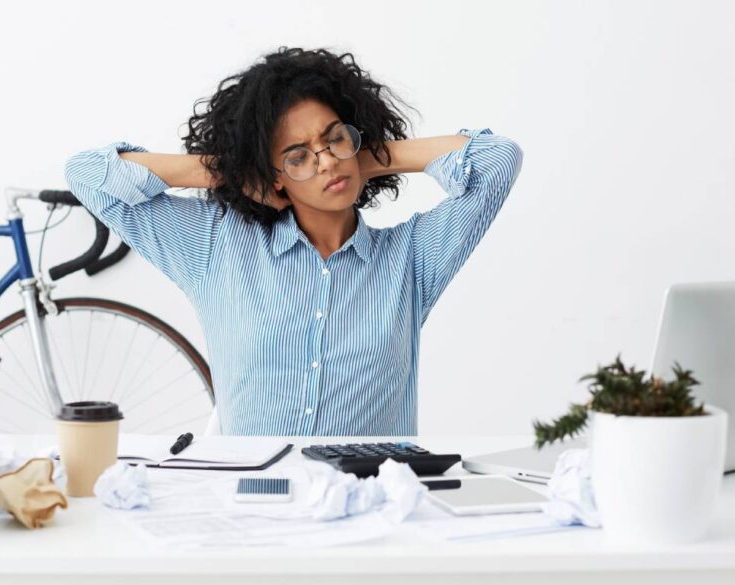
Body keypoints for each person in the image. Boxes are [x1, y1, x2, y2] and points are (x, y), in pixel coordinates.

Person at [65, 47, 523, 436]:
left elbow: (497, 159)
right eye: (297, 157)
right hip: (251, 499)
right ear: (273, 176)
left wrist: (371, 157)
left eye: (335, 138)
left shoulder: (412, 259)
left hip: (371, 501)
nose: (326, 162)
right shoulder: (215, 245)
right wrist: (231, 171)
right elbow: (87, 175)